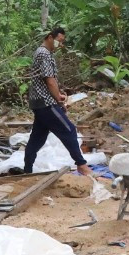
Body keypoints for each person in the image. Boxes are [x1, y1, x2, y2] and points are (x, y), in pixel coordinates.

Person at [21, 26, 97, 178]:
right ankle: (81, 165)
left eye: (62, 42)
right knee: (69, 130)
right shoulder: (44, 54)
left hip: (39, 102)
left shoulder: (43, 53)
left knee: (37, 138)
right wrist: (57, 98)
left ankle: (27, 170)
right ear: (50, 37)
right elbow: (49, 80)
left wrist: (58, 94)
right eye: (59, 41)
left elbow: (50, 81)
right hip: (46, 102)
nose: (60, 45)